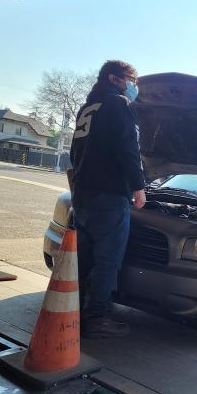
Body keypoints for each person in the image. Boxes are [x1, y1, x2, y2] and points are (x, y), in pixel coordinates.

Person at [70, 60, 146, 338]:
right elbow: (128, 149)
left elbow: (74, 153)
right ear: (114, 79)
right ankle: (97, 317)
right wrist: (139, 188)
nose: (134, 85)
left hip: (83, 196)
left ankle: (73, 313)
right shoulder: (118, 104)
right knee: (108, 260)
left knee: (84, 259)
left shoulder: (87, 108)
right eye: (131, 79)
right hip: (110, 195)